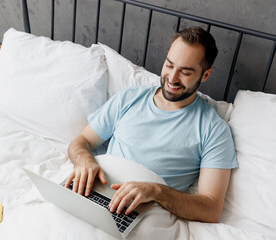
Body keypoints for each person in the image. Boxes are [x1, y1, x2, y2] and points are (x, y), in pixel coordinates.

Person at [65, 26, 238, 223]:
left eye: (185, 72)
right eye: (169, 65)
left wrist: (155, 191)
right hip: (95, 192)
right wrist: (84, 160)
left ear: (205, 75)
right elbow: (82, 141)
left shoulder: (214, 130)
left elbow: (211, 208)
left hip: (143, 212)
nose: (172, 78)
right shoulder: (128, 99)